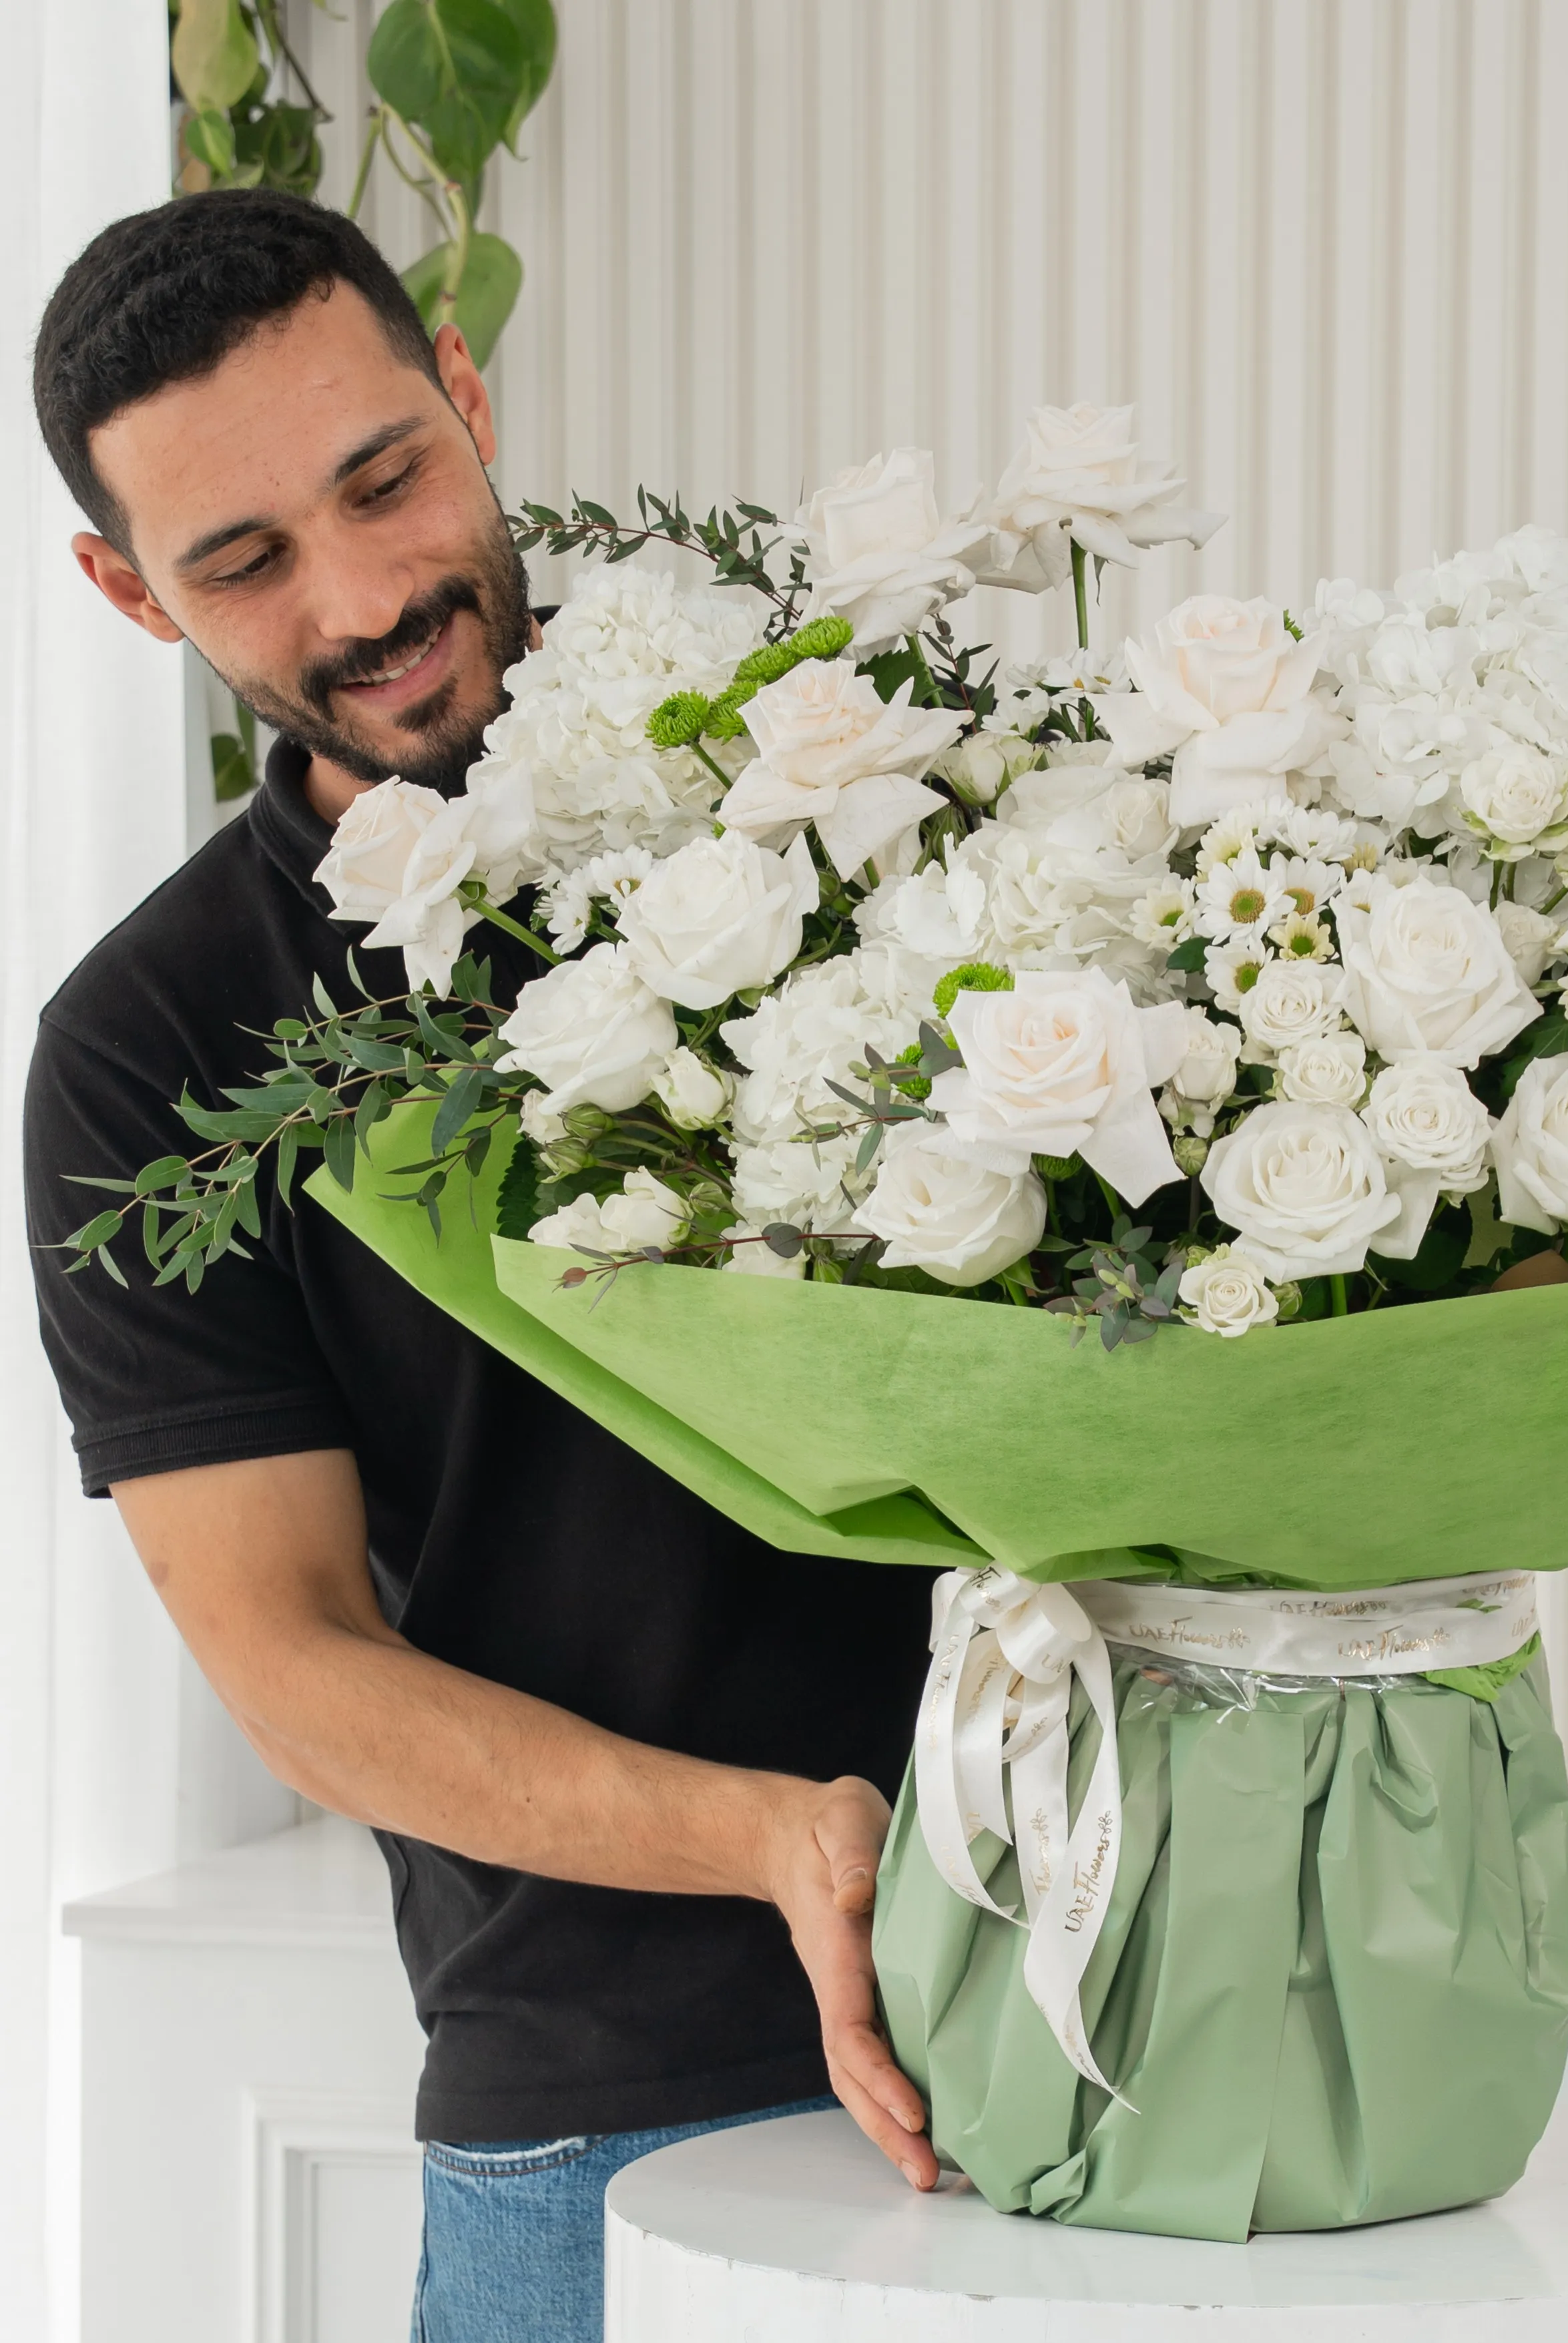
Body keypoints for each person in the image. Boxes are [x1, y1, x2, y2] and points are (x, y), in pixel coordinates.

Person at [23, 190, 939, 2342]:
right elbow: (292, 1657)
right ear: (121, 588)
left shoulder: (845, 768)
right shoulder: (152, 1043)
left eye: (384, 479)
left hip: (1110, 1996)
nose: (364, 599)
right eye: (241, 560)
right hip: (603, 2107)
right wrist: (778, 1843)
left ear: (466, 389)